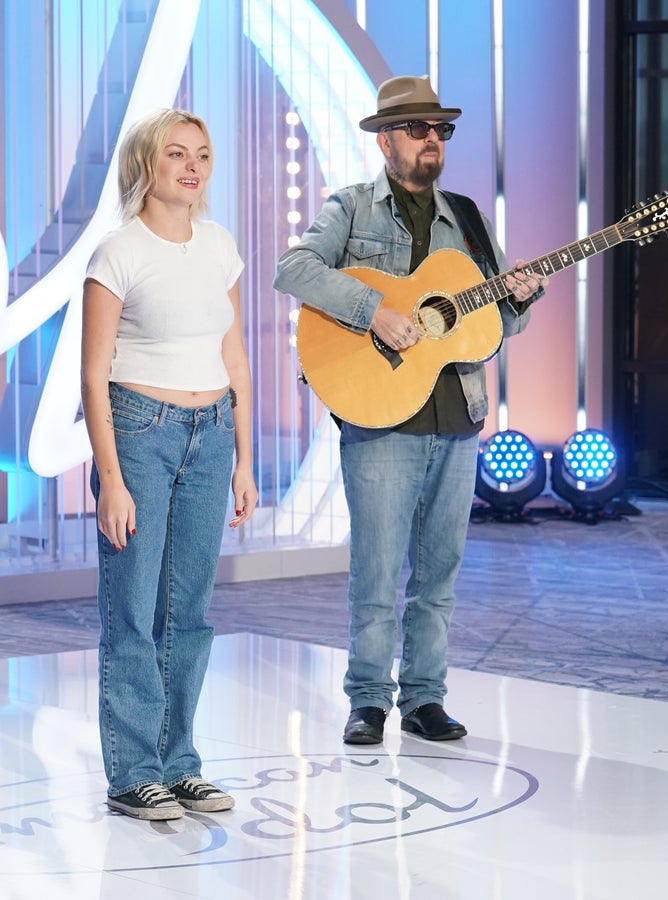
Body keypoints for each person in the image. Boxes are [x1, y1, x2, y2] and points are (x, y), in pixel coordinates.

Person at [274, 76, 548, 745]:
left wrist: (520, 297)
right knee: (377, 569)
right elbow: (294, 269)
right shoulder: (350, 210)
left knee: (440, 570)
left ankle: (425, 697)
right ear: (386, 139)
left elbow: (490, 329)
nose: (433, 141)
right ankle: (368, 699)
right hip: (380, 415)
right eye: (420, 129)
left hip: (457, 417)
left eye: (442, 130)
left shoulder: (469, 218)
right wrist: (375, 310)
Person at [81, 108, 258, 819]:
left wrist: (248, 460)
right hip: (139, 431)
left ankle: (179, 763)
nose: (193, 166)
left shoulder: (220, 247)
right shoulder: (117, 253)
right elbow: (94, 376)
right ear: (147, 166)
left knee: (190, 612)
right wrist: (112, 479)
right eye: (178, 154)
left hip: (212, 433)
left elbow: (236, 357)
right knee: (134, 608)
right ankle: (132, 773)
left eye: (204, 155)